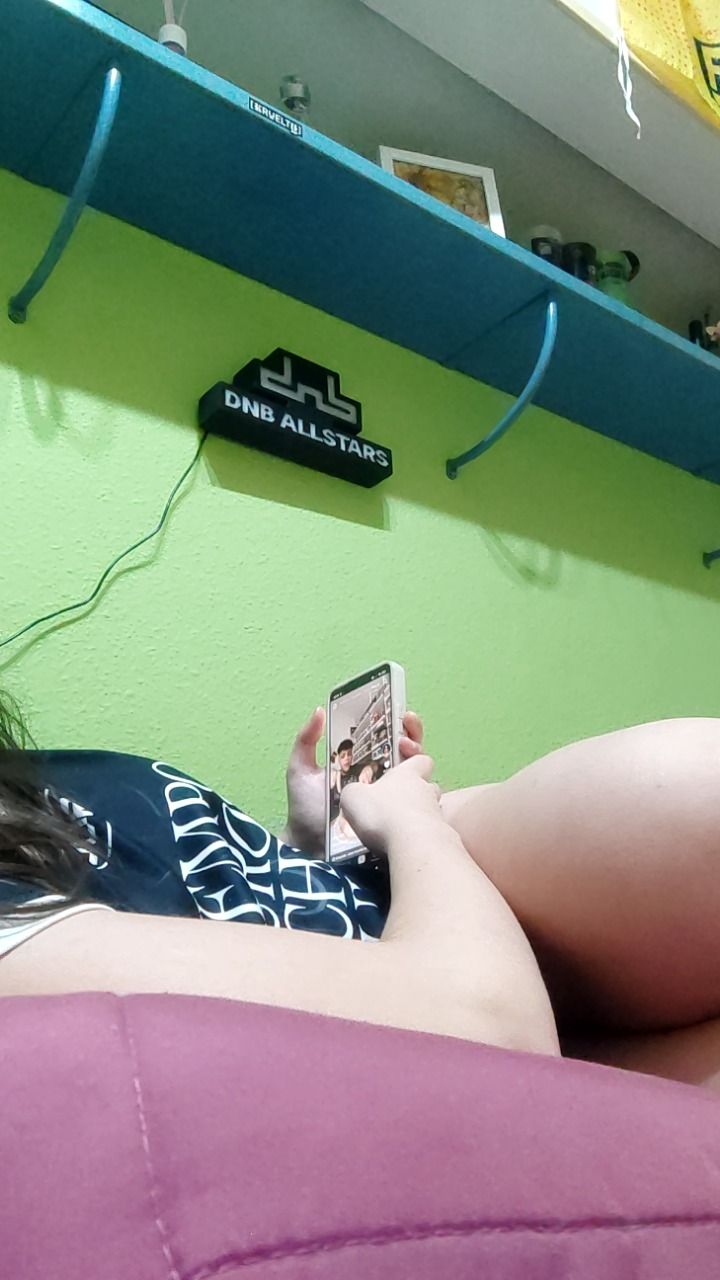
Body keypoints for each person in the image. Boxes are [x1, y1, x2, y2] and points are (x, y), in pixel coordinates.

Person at [3, 693, 720, 1090]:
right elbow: (495, 1038)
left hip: (422, 900)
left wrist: (304, 844)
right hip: (457, 960)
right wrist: (415, 828)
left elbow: (187, 917)